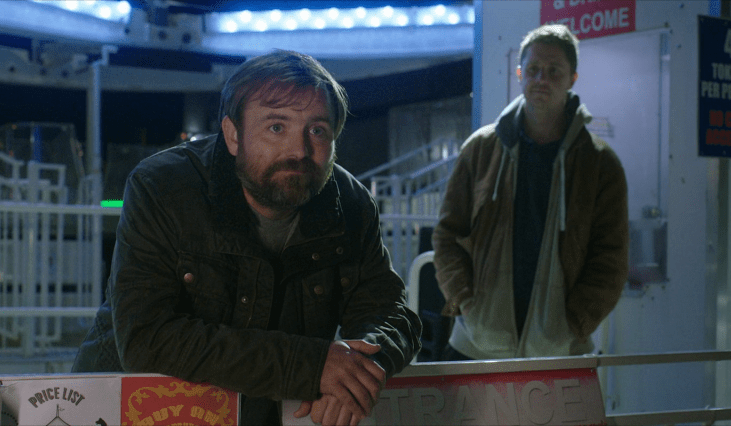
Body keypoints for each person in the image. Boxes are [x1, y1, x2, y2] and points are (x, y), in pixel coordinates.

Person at [73, 50, 422, 426]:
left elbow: (389, 311)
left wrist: (359, 373)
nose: (299, 150)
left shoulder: (351, 204)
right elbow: (146, 338)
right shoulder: (164, 187)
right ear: (233, 135)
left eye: (317, 130)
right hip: (126, 407)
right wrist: (313, 366)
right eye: (277, 127)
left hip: (263, 410)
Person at [432, 24, 628, 360]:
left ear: (572, 79)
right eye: (534, 69)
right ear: (520, 73)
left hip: (560, 348)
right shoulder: (481, 149)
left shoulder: (599, 162)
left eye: (554, 71)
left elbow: (611, 257)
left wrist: (575, 323)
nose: (542, 79)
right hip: (477, 342)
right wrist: (465, 302)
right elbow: (447, 234)